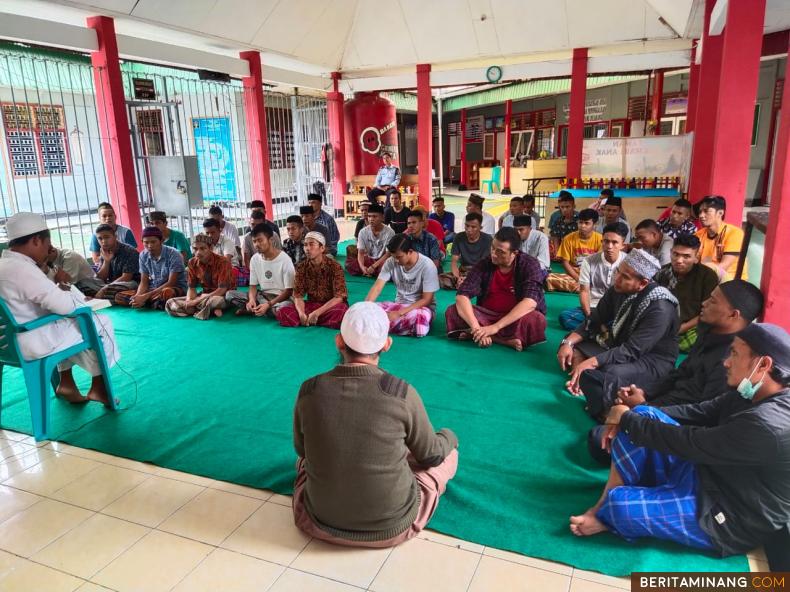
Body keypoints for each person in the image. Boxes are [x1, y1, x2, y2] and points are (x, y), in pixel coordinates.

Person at [570, 323, 790, 560]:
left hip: (729, 514)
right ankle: (603, 507)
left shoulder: (769, 424)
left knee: (621, 506)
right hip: (708, 472)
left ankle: (611, 510)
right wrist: (634, 411)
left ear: (764, 365)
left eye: (734, 354)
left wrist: (624, 418)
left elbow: (693, 443)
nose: (726, 362)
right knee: (644, 416)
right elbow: (699, 412)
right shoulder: (752, 391)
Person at [292, 301, 458, 547]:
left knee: (304, 462)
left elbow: (302, 451)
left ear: (339, 341)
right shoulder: (401, 392)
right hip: (391, 528)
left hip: (318, 522)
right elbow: (431, 455)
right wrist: (449, 436)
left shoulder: (309, 389)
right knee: (446, 455)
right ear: (387, 344)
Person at [586, 280, 764, 464]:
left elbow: (702, 415)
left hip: (676, 423)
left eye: (712, 301)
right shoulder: (710, 333)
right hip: (661, 401)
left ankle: (615, 416)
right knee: (592, 378)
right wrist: (644, 393)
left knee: (596, 439)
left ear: (733, 315)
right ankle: (617, 414)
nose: (704, 303)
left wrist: (647, 408)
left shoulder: (731, 360)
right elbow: (678, 373)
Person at [0, 213, 119, 405]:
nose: (48, 251)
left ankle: (66, 382)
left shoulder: (5, 264)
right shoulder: (23, 269)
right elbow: (66, 307)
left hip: (6, 343)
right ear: (36, 240)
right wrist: (62, 286)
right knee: (98, 322)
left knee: (68, 326)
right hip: (30, 341)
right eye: (47, 245)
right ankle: (98, 386)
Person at [558, 249, 679, 421]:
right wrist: (568, 343)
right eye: (618, 272)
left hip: (651, 361)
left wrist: (592, 362)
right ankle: (581, 374)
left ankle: (607, 408)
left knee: (611, 372)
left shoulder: (660, 307)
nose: (618, 279)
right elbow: (594, 320)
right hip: (618, 345)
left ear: (643, 283)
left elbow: (632, 350)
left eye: (625, 277)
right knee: (571, 341)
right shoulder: (618, 289)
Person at [445, 228, 547, 351]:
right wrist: (477, 329)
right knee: (453, 310)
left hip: (514, 318)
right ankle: (501, 340)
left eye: (500, 252)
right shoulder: (485, 263)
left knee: (536, 319)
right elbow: (462, 295)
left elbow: (530, 302)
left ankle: (480, 335)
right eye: (492, 248)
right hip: (486, 316)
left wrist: (495, 327)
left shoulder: (530, 264)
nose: (493, 254)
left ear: (514, 253)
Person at [364, 234, 440, 337]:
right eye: (393, 257)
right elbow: (377, 287)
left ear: (410, 251)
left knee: (420, 325)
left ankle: (378, 324)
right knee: (370, 309)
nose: (395, 260)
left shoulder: (428, 265)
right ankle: (390, 324)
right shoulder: (391, 262)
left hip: (420, 308)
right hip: (398, 305)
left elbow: (427, 300)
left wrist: (399, 313)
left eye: (399, 257)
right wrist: (365, 307)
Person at [655, 234, 719, 352]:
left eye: (686, 256)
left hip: (692, 329)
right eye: (676, 254)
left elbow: (709, 313)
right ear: (670, 252)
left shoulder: (707, 276)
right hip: (663, 325)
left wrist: (680, 328)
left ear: (696, 257)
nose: (679, 260)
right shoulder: (662, 273)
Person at [559, 222, 628, 331]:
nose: (609, 246)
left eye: (615, 242)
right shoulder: (589, 261)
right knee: (565, 317)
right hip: (594, 308)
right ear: (602, 241)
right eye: (606, 241)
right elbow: (584, 291)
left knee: (628, 322)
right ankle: (601, 329)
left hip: (617, 309)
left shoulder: (628, 262)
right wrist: (589, 316)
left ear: (623, 245)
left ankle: (592, 329)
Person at [277, 231, 348, 329]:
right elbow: (298, 296)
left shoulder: (335, 267)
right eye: (305, 245)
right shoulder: (301, 267)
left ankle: (310, 319)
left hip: (329, 306)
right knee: (282, 311)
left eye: (311, 244)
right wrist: (301, 313)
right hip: (312, 305)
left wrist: (317, 313)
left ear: (322, 248)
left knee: (341, 311)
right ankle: (309, 319)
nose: (307, 249)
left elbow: (339, 297)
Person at [225, 223, 294, 317]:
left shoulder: (285, 259)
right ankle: (257, 308)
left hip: (280, 299)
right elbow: (253, 286)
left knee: (283, 308)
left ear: (270, 240)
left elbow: (288, 291)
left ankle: (256, 310)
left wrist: (268, 304)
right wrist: (252, 300)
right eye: (254, 241)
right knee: (229, 294)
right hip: (262, 296)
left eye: (260, 240)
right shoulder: (254, 259)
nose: (257, 244)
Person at [165, 233, 235, 320]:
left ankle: (201, 308)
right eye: (195, 249)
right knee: (170, 302)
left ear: (211, 248)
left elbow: (222, 290)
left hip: (221, 296)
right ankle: (207, 310)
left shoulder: (223, 262)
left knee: (216, 301)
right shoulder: (192, 262)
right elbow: (191, 288)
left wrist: (195, 302)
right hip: (203, 296)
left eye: (202, 248)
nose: (198, 252)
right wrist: (189, 301)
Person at [115, 227, 187, 310]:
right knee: (119, 296)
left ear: (161, 241)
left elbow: (171, 282)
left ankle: (149, 302)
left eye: (153, 242)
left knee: (167, 293)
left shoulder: (173, 254)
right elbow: (144, 282)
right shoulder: (143, 255)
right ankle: (150, 302)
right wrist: (138, 296)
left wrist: (145, 296)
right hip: (153, 289)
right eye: (146, 242)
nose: (149, 245)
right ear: (142, 242)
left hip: (173, 288)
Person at [546, 209, 602, 293]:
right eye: (580, 222)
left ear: (595, 224)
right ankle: (586, 288)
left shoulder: (601, 239)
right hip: (573, 274)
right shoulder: (568, 238)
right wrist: (577, 278)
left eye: (586, 223)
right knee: (548, 278)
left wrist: (588, 278)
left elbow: (600, 264)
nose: (582, 226)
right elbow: (565, 262)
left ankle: (583, 288)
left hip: (592, 274)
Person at [695, 195, 746, 282]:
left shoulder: (735, 233)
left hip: (731, 282)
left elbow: (724, 265)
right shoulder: (698, 235)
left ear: (720, 213)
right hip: (706, 277)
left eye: (706, 211)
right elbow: (694, 260)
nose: (701, 215)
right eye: (700, 212)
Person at [86, 224, 141, 301]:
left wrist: (105, 288)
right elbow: (101, 278)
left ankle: (98, 298)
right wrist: (106, 261)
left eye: (107, 237)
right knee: (83, 283)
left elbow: (126, 277)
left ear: (115, 236)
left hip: (130, 283)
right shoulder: (104, 251)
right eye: (100, 238)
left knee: (116, 291)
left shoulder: (129, 251)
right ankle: (105, 296)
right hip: (111, 283)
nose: (104, 241)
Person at [439, 213, 493, 290]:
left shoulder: (487, 239)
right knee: (441, 278)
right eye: (467, 226)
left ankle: (466, 285)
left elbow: (483, 265)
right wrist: (458, 278)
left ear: (480, 227)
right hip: (464, 270)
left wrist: (468, 278)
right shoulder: (459, 237)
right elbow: (454, 262)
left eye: (473, 227)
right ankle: (466, 285)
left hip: (480, 271)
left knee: (489, 280)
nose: (469, 229)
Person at [346, 204, 395, 277]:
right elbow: (361, 253)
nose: (371, 219)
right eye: (369, 216)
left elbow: (388, 254)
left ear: (382, 218)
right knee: (349, 264)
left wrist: (373, 266)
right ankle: (369, 271)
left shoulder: (390, 232)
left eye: (374, 216)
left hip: (382, 260)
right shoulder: (363, 232)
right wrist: (362, 267)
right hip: (369, 259)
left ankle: (373, 271)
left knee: (388, 266)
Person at [548, 191, 578, 259]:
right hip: (562, 251)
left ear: (574, 206)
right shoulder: (557, 220)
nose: (564, 209)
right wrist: (557, 252)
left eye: (567, 207)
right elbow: (555, 238)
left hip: (578, 251)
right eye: (562, 207)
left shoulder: (580, 220)